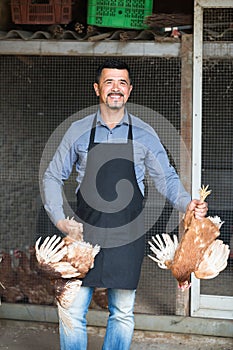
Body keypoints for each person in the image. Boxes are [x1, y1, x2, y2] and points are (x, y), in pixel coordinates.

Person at [43, 59, 208, 350]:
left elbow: (166, 177)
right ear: (97, 89)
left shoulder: (144, 133)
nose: (115, 88)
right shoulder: (78, 130)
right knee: (71, 310)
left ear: (129, 90)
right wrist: (60, 219)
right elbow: (53, 176)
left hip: (127, 232)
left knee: (121, 313)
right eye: (109, 82)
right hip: (86, 233)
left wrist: (187, 204)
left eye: (121, 83)